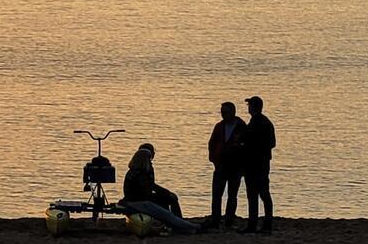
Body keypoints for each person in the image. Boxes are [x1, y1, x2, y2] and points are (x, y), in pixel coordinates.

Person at [118, 143, 197, 234]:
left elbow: (150, 186)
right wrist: (165, 193)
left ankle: (175, 222)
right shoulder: (141, 173)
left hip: (138, 198)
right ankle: (179, 223)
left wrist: (165, 193)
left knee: (168, 199)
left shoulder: (135, 171)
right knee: (168, 203)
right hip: (139, 200)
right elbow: (147, 189)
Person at [205, 101, 245, 229]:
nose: (223, 114)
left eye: (225, 112)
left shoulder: (241, 127)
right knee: (217, 195)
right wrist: (214, 159)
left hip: (235, 167)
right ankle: (215, 220)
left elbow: (246, 147)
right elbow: (211, 143)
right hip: (220, 166)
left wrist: (242, 166)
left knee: (232, 196)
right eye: (222, 112)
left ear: (233, 112)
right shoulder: (219, 126)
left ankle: (229, 221)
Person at [241, 95, 277, 234]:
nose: (248, 108)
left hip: (256, 164)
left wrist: (248, 145)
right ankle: (260, 223)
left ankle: (259, 224)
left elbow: (269, 143)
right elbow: (271, 143)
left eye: (250, 105)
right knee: (259, 194)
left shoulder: (259, 123)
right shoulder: (263, 122)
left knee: (259, 194)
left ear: (254, 107)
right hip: (258, 163)